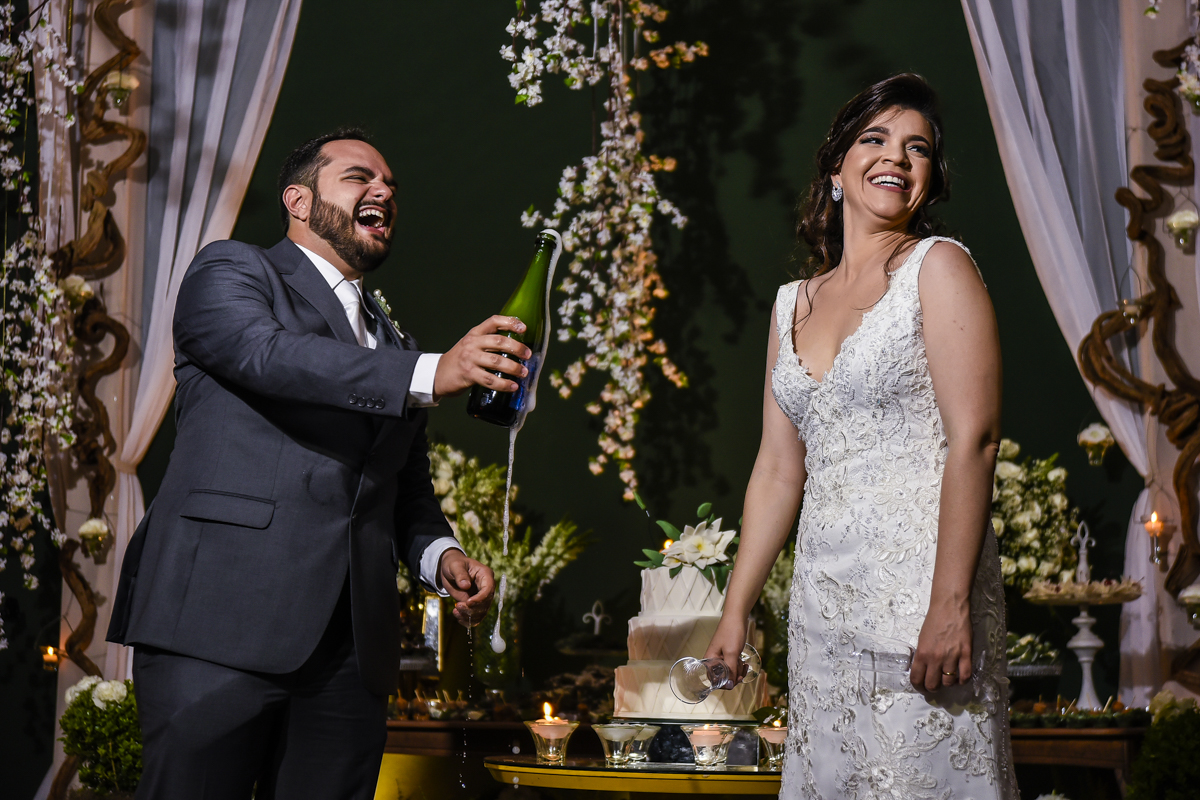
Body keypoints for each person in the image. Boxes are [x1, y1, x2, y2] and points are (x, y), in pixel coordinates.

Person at [107, 128, 529, 799]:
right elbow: (268, 357)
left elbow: (403, 485)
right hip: (218, 623)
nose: (384, 191)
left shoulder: (393, 340)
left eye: (391, 184)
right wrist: (430, 370)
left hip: (350, 655)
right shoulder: (232, 272)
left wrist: (440, 555)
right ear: (299, 201)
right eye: (360, 177)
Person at [705, 75, 1018, 798]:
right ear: (836, 168)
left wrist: (950, 605)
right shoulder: (791, 305)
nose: (897, 158)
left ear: (930, 180)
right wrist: (736, 607)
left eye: (918, 149)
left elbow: (975, 439)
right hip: (822, 615)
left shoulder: (939, 268)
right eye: (875, 140)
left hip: (921, 610)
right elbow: (779, 470)